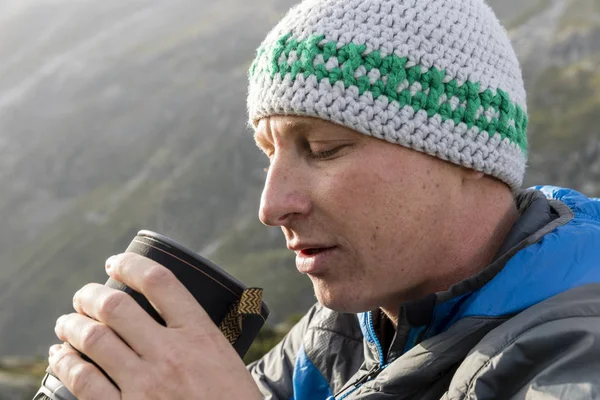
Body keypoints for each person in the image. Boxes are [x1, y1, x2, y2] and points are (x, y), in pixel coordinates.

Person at [48, 0, 600, 399]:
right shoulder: (342, 335)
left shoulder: (573, 355)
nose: (271, 205)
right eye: (270, 154)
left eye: (324, 148)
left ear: (468, 156)